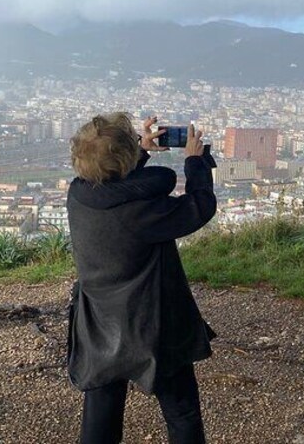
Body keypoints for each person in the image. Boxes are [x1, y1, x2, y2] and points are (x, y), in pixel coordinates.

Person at [66, 113, 217, 444]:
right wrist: (195, 163)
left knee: (101, 412)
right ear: (124, 157)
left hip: (98, 321)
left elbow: (114, 188)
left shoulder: (78, 195)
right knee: (181, 411)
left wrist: (139, 152)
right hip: (153, 323)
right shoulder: (144, 211)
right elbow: (200, 206)